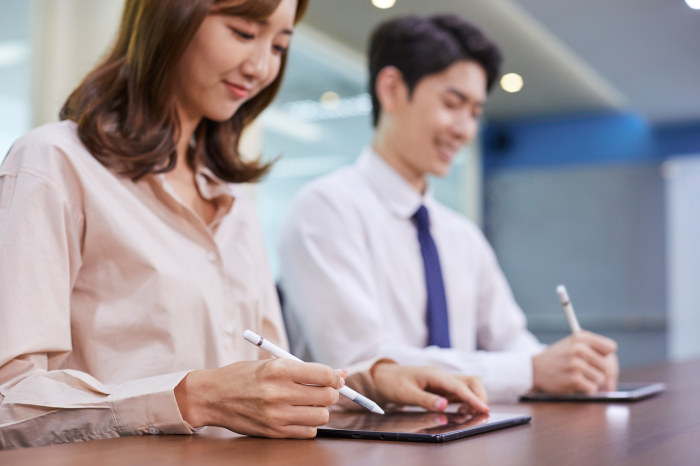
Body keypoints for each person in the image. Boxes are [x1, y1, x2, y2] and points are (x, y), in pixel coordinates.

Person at [0, 1, 490, 450]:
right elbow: (9, 403)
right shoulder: (53, 164)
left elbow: (265, 382)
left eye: (278, 46)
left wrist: (368, 381)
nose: (261, 68)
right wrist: (194, 398)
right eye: (242, 32)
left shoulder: (234, 202)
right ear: (169, 16)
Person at [277, 14, 619, 403]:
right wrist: (531, 369)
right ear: (391, 90)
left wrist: (571, 363)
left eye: (475, 112)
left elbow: (511, 341)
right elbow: (361, 362)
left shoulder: (461, 235)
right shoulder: (325, 210)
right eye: (452, 103)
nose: (465, 130)